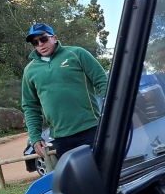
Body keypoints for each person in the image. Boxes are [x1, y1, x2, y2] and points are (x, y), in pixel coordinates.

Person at [21, 23, 108, 160]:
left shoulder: (77, 53)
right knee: (77, 180)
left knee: (104, 175)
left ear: (54, 38)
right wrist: (35, 137)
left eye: (43, 39)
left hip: (92, 129)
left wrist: (110, 113)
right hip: (61, 138)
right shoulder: (29, 71)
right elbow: (30, 107)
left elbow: (103, 82)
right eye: (35, 42)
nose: (40, 45)